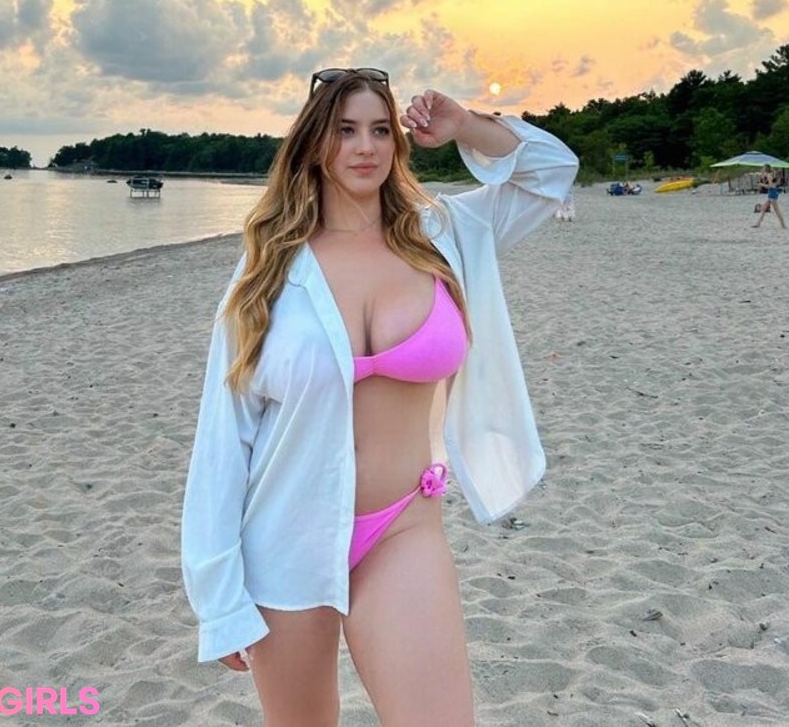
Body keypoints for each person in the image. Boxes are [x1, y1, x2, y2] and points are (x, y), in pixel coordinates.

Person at [181, 67, 578, 726]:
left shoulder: (446, 232)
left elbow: (552, 172)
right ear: (314, 144)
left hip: (402, 528)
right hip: (284, 538)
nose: (364, 147)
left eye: (380, 130)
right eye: (344, 131)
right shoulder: (269, 267)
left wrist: (465, 126)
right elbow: (225, 435)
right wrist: (217, 596)